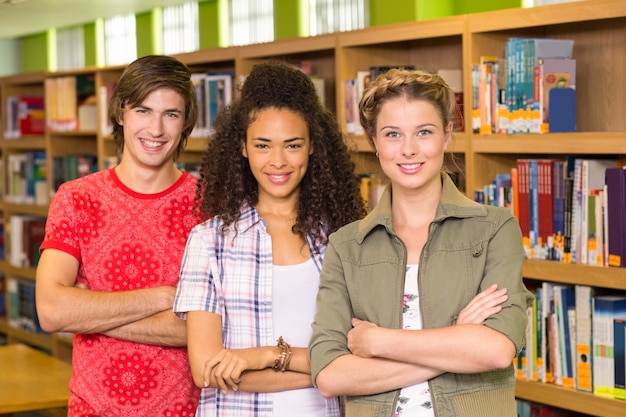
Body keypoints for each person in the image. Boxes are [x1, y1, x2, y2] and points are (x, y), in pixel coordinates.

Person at [308, 68, 534, 417]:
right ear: (374, 141)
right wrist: (457, 338)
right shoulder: (346, 246)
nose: (409, 150)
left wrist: (379, 342)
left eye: (424, 132)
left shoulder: (494, 229)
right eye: (392, 134)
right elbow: (330, 376)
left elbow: (496, 350)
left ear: (446, 135)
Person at [172, 60, 367, 417]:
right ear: (243, 147)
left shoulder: (345, 236)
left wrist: (264, 356)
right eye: (263, 145)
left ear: (312, 146)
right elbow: (206, 369)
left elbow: (362, 352)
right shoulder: (210, 241)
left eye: (292, 145)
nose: (278, 161)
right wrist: (330, 372)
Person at [36, 55, 201, 416]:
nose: (156, 129)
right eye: (143, 110)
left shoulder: (209, 204)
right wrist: (163, 297)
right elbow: (51, 311)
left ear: (186, 121)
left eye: (170, 114)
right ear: (120, 112)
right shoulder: (76, 198)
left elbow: (205, 328)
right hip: (92, 410)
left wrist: (88, 311)